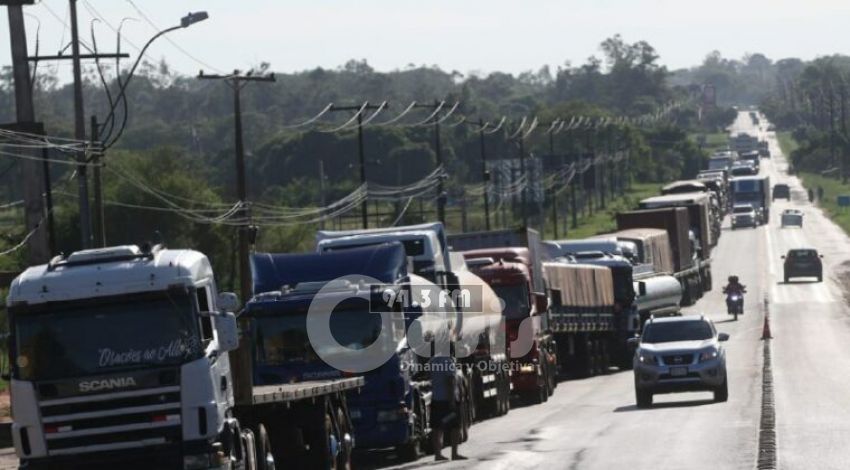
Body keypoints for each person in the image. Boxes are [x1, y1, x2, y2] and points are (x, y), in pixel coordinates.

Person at [429, 351, 466, 461]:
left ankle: (437, 454)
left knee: (437, 427)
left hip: (436, 399)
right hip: (447, 400)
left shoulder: (432, 361)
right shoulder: (448, 361)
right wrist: (452, 401)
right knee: (455, 427)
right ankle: (454, 454)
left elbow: (430, 378)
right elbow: (450, 381)